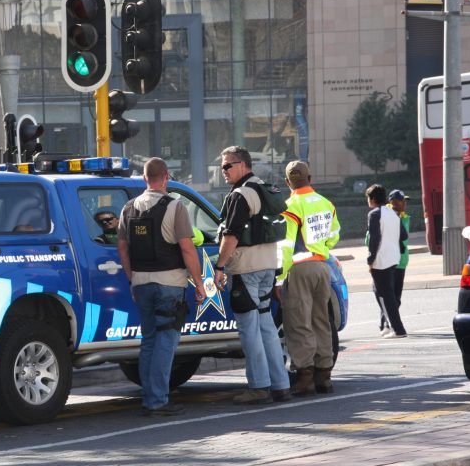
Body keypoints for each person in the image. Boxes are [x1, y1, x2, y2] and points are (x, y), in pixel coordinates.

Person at [117, 157, 207, 417]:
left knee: (148, 340)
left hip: (141, 283)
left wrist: (132, 278)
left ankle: (150, 398)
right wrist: (199, 283)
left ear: (145, 178)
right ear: (166, 177)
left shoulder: (128, 208)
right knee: (166, 342)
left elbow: (122, 248)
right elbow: (187, 249)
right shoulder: (175, 207)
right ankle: (158, 400)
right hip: (170, 283)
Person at [212, 146, 291, 405]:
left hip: (246, 269)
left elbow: (231, 235)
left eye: (227, 166)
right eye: (222, 167)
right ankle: (280, 384)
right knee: (266, 325)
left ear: (243, 165)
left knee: (249, 330)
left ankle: (258, 386)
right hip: (268, 265)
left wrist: (220, 266)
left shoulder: (241, 195)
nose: (223, 171)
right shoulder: (265, 189)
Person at [277, 161, 340, 396]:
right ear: (310, 178)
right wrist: (322, 248)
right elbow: (334, 236)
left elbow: (286, 246)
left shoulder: (290, 206)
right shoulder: (326, 203)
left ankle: (305, 376)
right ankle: (324, 376)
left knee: (298, 323)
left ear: (287, 182)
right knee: (321, 320)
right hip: (322, 266)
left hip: (299, 268)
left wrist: (279, 278)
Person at [366, 183, 408, 340]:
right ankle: (390, 326)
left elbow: (374, 239)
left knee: (386, 295)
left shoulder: (374, 214)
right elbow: (403, 235)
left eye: (368, 198)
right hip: (394, 258)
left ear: (372, 199)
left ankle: (397, 329)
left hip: (381, 259)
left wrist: (370, 259)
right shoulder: (393, 214)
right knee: (380, 292)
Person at [385, 189, 411, 333]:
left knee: (396, 297)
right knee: (390, 297)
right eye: (402, 201)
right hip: (390, 262)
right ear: (393, 202)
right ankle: (386, 324)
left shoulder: (403, 217)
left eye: (405, 201)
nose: (405, 203)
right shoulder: (386, 216)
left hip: (401, 262)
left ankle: (388, 322)